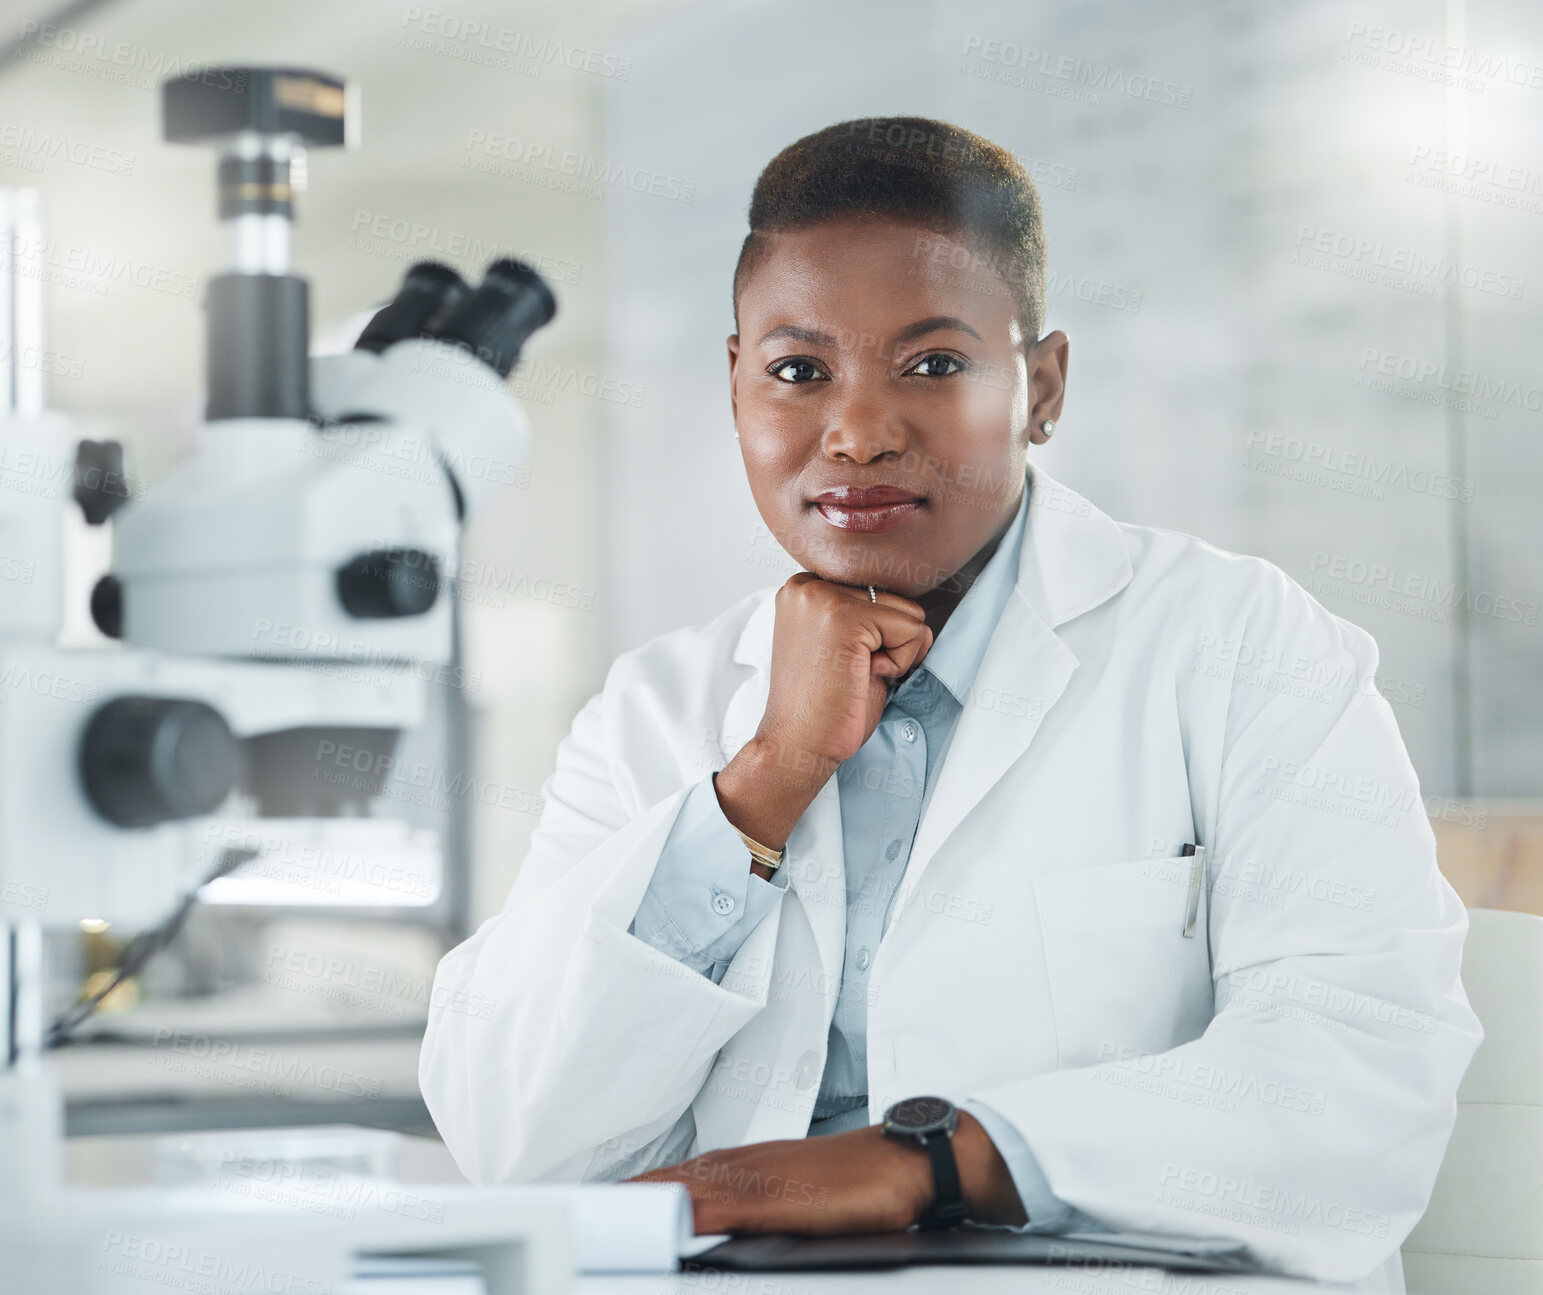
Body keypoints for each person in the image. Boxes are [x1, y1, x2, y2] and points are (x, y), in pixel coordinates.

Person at [420, 117, 1481, 1287]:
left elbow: (1356, 1082)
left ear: (1042, 386)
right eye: (796, 369)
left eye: (932, 365)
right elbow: (512, 1133)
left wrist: (935, 1161)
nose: (860, 431)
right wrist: (763, 782)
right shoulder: (655, 706)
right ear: (735, 386)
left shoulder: (1242, 644)